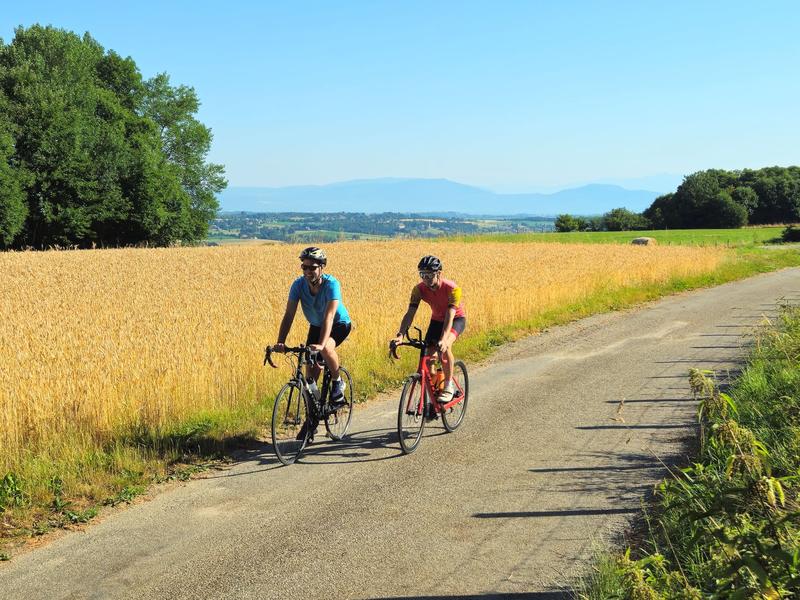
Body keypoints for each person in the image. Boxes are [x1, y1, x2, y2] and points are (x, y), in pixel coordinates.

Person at [274, 247, 351, 405]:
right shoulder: (298, 285)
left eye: (313, 267)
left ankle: (338, 382)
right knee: (310, 377)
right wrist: (280, 341)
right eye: (305, 267)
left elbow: (329, 316)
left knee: (327, 349)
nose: (308, 271)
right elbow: (289, 315)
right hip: (316, 325)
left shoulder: (331, 284)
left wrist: (322, 345)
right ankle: (315, 412)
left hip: (338, 324)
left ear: (322, 267)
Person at [391, 255, 466, 404]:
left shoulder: (452, 289)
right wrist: (400, 335)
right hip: (436, 321)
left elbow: (450, 316)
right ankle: (435, 395)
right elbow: (410, 313)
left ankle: (448, 385)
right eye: (423, 275)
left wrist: (444, 340)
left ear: (439, 273)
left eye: (430, 275)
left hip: (456, 320)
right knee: (427, 361)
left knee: (444, 348)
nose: (426, 279)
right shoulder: (418, 290)